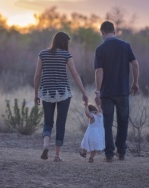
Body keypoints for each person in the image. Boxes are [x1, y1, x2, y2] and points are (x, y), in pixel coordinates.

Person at [34, 31, 88, 162]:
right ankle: (57, 155)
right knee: (60, 123)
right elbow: (75, 75)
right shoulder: (66, 55)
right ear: (64, 42)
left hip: (46, 92)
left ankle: (46, 144)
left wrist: (36, 94)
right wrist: (84, 92)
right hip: (63, 93)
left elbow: (37, 76)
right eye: (68, 42)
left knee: (48, 121)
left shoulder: (43, 54)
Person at [94, 21, 139, 162]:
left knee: (107, 123)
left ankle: (109, 154)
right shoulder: (125, 46)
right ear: (114, 31)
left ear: (102, 32)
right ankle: (121, 152)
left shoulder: (100, 49)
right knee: (123, 122)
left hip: (107, 93)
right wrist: (135, 82)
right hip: (123, 91)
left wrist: (97, 91)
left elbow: (98, 72)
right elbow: (135, 64)